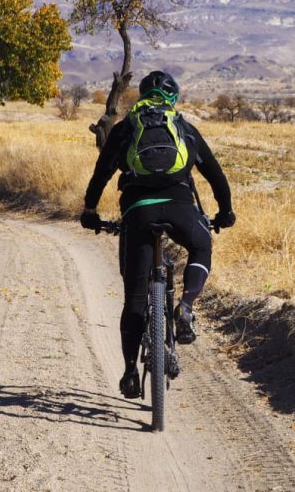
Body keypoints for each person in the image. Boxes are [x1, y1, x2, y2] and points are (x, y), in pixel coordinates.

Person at [79, 70, 235, 398]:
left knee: (135, 298)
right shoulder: (183, 128)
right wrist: (226, 212)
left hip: (139, 212)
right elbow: (216, 176)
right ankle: (187, 305)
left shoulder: (125, 130)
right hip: (180, 207)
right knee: (201, 246)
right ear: (173, 99)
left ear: (140, 96)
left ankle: (130, 372)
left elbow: (100, 175)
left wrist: (90, 211)